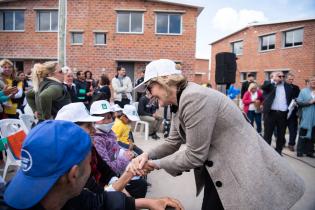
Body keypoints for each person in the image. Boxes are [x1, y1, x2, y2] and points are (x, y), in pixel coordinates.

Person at [127, 59, 304, 210]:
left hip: (240, 168)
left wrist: (154, 164)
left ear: (164, 81)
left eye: (150, 88)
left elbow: (195, 155)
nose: (149, 95)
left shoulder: (193, 97)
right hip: (222, 167)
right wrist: (146, 155)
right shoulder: (179, 99)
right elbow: (173, 141)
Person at [54, 103, 183, 209]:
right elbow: (96, 199)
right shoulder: (74, 165)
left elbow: (107, 172)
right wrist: (128, 176)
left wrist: (123, 185)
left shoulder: (89, 149)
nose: (94, 130)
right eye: (88, 126)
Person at [90, 100, 148, 198]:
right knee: (140, 185)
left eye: (108, 117)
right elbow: (107, 168)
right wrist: (125, 158)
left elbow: (116, 146)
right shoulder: (96, 140)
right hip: (110, 177)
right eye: (101, 118)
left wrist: (125, 153)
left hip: (117, 170)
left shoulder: (108, 131)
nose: (106, 121)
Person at [261, 71, 294, 155]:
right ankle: (266, 152)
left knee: (281, 134)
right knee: (268, 133)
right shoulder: (269, 84)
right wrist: (273, 81)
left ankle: (278, 151)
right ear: (272, 76)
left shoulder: (288, 86)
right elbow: (263, 87)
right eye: (279, 76)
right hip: (271, 113)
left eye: (283, 76)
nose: (281, 78)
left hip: (282, 113)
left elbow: (290, 98)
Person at [296, 76, 315, 158]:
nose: (314, 82)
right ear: (309, 82)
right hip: (305, 116)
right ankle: (300, 150)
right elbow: (299, 102)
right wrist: (309, 103)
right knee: (303, 133)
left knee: (313, 134)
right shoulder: (303, 91)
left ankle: (309, 151)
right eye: (312, 80)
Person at [286, 73, 300, 151]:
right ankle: (282, 141)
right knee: (280, 128)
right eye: (289, 79)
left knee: (293, 129)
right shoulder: (282, 87)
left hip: (293, 112)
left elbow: (299, 97)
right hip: (283, 112)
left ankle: (291, 144)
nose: (291, 81)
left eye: (292, 79)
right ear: (286, 79)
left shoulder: (296, 88)